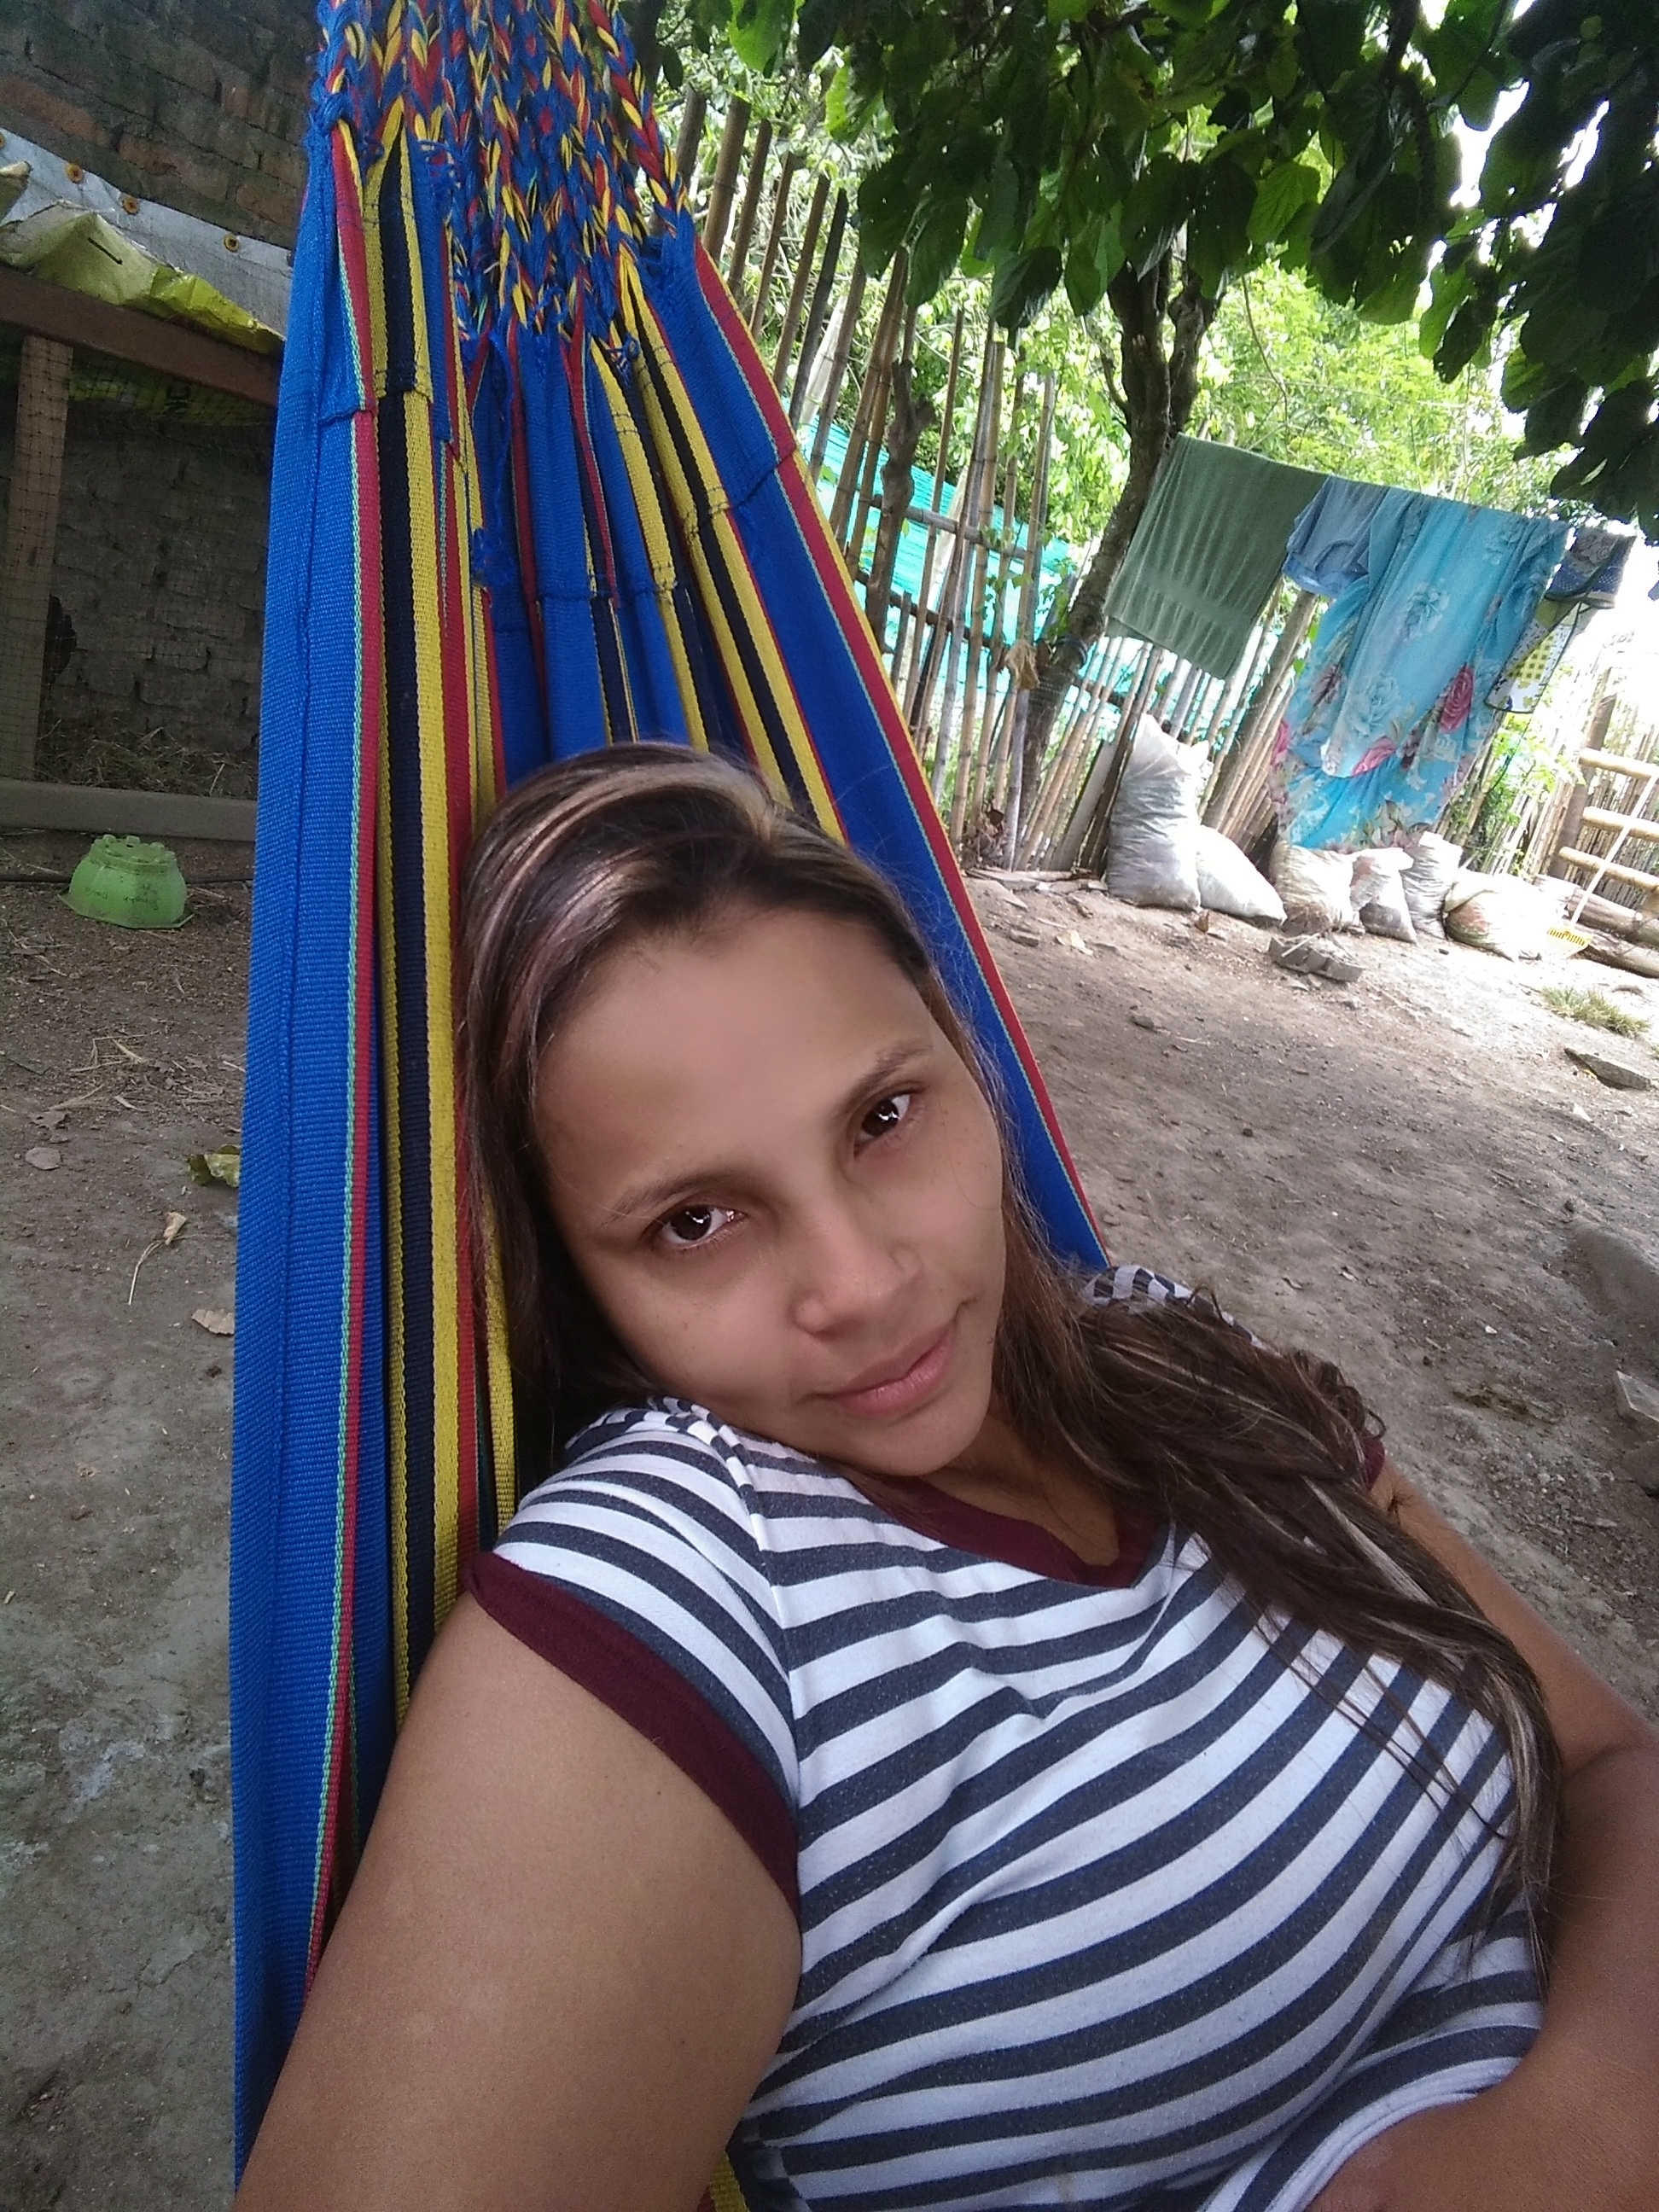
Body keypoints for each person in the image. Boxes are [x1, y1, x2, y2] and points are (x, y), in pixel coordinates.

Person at [236, 746, 1659, 2212]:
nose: (861, 1284)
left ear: (965, 1062)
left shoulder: (1181, 1354)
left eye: (881, 1119)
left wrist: (1586, 2134)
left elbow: (1609, 1762)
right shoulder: (682, 1589)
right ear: (579, 1284)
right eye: (695, 1220)